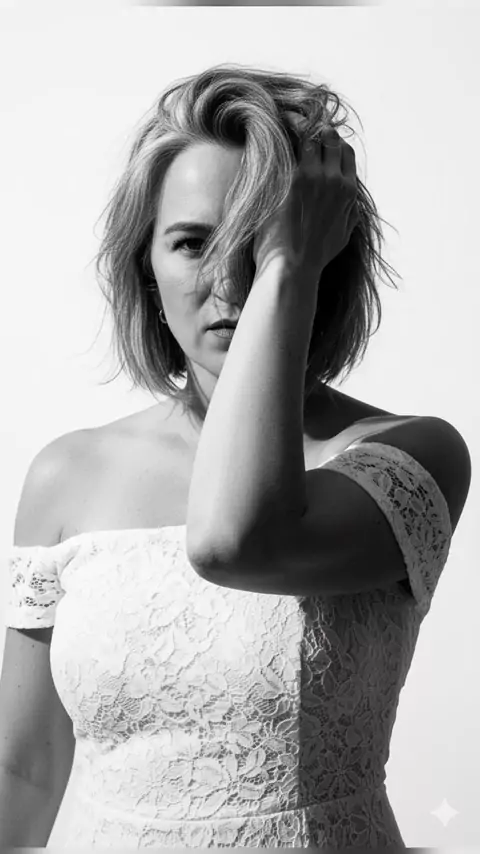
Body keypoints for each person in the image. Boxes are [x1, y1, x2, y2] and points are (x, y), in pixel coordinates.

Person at [0, 63, 471, 848]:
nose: (227, 277)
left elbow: (234, 539)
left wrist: (291, 267)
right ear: (145, 268)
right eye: (191, 243)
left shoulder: (409, 456)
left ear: (323, 254)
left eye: (261, 240)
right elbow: (25, 770)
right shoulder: (65, 476)